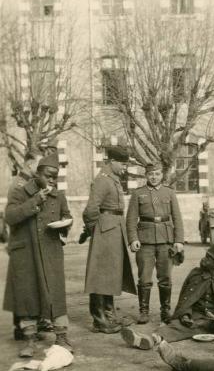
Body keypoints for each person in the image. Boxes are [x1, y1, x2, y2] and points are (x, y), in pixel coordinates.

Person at [3, 153, 73, 357]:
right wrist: (35, 201)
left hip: (51, 250)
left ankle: (61, 337)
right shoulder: (20, 191)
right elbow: (10, 216)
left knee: (55, 293)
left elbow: (66, 216)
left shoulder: (58, 196)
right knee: (28, 295)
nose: (52, 180)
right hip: (26, 253)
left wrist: (65, 227)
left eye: (55, 177)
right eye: (48, 175)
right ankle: (30, 340)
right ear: (37, 173)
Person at [121, 244, 214, 349]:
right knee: (175, 327)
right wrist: (185, 315)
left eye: (208, 258)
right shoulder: (196, 274)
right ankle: (149, 340)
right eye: (205, 256)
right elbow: (186, 300)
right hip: (197, 319)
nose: (203, 259)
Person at [83, 145, 136, 334]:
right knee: (100, 276)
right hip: (105, 231)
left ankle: (109, 315)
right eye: (122, 163)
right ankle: (99, 320)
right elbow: (91, 210)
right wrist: (95, 230)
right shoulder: (102, 181)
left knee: (111, 275)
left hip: (113, 229)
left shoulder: (112, 179)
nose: (125, 167)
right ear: (112, 161)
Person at [126, 162, 184, 324]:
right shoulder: (138, 194)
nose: (154, 177)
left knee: (165, 277)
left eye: (157, 174)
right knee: (144, 277)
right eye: (151, 174)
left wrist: (179, 240)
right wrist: (133, 239)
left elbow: (177, 218)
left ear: (162, 175)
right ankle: (144, 311)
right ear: (146, 175)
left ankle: (165, 310)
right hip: (145, 241)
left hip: (166, 240)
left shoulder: (169, 192)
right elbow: (131, 219)